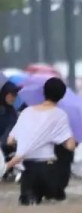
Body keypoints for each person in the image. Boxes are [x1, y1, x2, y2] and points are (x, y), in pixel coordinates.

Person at [4, 77, 75, 205]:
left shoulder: (26, 112)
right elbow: (70, 146)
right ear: (62, 96)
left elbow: (10, 141)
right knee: (55, 211)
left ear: (44, 92)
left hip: (27, 171)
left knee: (29, 210)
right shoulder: (60, 114)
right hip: (48, 170)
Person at [0, 81, 20, 180]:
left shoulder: (12, 111)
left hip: (8, 146)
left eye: (15, 95)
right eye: (11, 94)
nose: (13, 98)